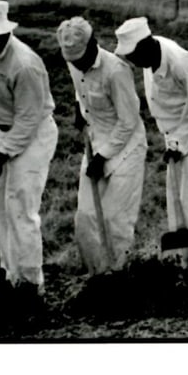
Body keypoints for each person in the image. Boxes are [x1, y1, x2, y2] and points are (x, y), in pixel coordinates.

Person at [114, 16, 188, 272]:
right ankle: (187, 262)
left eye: (133, 56)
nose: (132, 63)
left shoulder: (181, 62)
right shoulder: (150, 56)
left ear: (146, 45)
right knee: (176, 200)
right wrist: (173, 142)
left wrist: (179, 143)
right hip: (175, 135)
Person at [0, 0, 59, 300]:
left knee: (20, 208)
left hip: (33, 136)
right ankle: (11, 276)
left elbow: (28, 120)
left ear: (4, 32)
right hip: (2, 130)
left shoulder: (25, 64)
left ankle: (31, 285)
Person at [57, 16, 147, 275]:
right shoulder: (75, 62)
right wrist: (79, 108)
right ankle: (97, 276)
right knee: (86, 218)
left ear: (93, 44)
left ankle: (118, 276)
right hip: (95, 142)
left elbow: (128, 121)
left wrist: (103, 156)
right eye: (72, 61)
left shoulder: (116, 71)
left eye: (80, 59)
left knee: (114, 219)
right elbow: (80, 89)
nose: (77, 65)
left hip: (126, 148)